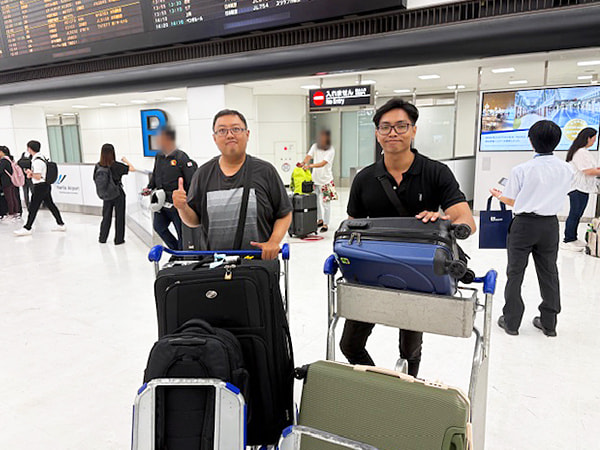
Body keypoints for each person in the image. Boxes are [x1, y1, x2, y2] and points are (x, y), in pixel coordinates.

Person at [340, 98, 476, 377]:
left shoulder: (435, 172)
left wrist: (446, 221)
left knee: (410, 349)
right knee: (349, 345)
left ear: (414, 131)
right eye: (385, 127)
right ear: (377, 133)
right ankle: (383, 385)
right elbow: (352, 225)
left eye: (401, 126)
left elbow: (467, 221)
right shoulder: (364, 179)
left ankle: (408, 388)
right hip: (372, 270)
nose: (393, 133)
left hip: (418, 272)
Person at [490, 120, 573, 337]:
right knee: (549, 272)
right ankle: (549, 323)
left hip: (524, 225)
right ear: (557, 142)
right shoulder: (567, 169)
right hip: (550, 225)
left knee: (515, 272)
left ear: (531, 141)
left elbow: (511, 200)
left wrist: (500, 196)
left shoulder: (521, 170)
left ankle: (511, 322)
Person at [172, 109, 292, 260]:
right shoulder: (203, 174)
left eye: (236, 129)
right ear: (214, 138)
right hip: (214, 266)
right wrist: (182, 207)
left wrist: (273, 242)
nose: (229, 135)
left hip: (259, 267)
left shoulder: (265, 171)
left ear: (247, 134)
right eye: (222, 131)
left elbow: (284, 213)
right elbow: (194, 221)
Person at [143, 127, 196, 250]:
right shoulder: (159, 156)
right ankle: (176, 250)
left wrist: (187, 200)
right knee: (158, 227)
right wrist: (149, 188)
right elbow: (156, 174)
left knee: (181, 233)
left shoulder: (181, 157)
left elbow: (191, 181)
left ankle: (182, 257)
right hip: (161, 201)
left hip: (177, 204)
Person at [14, 140, 66, 236]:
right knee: (50, 205)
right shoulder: (41, 157)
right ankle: (61, 224)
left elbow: (38, 176)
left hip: (40, 186)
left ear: (30, 148)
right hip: (45, 185)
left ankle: (27, 227)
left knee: (33, 207)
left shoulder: (37, 161)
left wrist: (30, 174)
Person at [561, 127, 599, 252]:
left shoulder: (583, 151)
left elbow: (591, 168)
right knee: (575, 214)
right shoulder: (580, 152)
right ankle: (568, 239)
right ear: (588, 138)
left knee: (577, 214)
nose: (594, 141)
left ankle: (573, 238)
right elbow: (587, 171)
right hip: (578, 188)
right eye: (593, 139)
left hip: (583, 188)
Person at [95, 143, 136, 245]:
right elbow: (132, 168)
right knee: (119, 217)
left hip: (106, 195)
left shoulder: (98, 165)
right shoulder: (116, 165)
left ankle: (102, 238)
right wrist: (125, 160)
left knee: (106, 217)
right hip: (117, 194)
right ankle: (118, 240)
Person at [302, 130, 336, 232]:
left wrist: (309, 166)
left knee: (326, 203)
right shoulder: (315, 146)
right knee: (315, 201)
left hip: (327, 181)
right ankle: (320, 220)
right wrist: (303, 162)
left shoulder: (330, 149)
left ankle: (326, 224)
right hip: (315, 180)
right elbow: (309, 156)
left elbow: (323, 163)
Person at [0, 146, 21, 222]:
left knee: (9, 198)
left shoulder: (4, 161)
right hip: (11, 181)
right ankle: (16, 212)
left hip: (6, 182)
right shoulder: (10, 159)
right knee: (13, 197)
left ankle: (11, 213)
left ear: (2, 152)